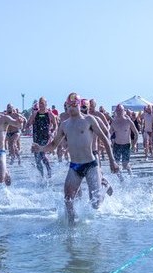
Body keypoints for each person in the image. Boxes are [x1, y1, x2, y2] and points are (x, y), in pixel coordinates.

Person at [36, 93, 118, 224]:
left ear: (79, 105)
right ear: (66, 106)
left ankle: (105, 186)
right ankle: (71, 225)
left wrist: (112, 161)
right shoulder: (64, 124)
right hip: (74, 166)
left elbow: (105, 140)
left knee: (95, 204)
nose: (71, 108)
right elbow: (53, 145)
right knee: (68, 199)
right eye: (69, 105)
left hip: (91, 165)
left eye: (74, 105)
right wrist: (40, 148)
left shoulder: (89, 120)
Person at [25, 96, 58, 179]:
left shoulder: (50, 114)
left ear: (46, 104)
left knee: (42, 155)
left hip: (45, 138)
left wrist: (52, 131)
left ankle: (49, 170)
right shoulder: (35, 114)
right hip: (36, 138)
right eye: (40, 103)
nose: (41, 105)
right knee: (37, 159)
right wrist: (27, 126)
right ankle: (42, 175)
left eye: (42, 103)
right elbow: (28, 123)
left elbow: (55, 124)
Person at [110, 104, 139, 174]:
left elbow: (136, 133)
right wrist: (110, 142)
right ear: (116, 111)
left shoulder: (128, 121)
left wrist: (134, 144)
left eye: (121, 110)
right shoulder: (114, 122)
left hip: (126, 145)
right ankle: (121, 179)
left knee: (125, 165)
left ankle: (130, 172)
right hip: (117, 145)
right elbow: (109, 133)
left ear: (124, 111)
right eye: (118, 110)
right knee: (115, 165)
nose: (119, 112)